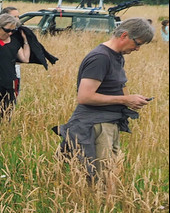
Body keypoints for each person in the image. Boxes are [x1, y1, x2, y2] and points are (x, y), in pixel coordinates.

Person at [57, 18, 154, 184]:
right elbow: (85, 96)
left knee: (110, 176)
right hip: (95, 126)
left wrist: (131, 100)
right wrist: (125, 99)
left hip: (108, 123)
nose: (137, 49)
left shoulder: (116, 56)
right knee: (100, 179)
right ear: (124, 35)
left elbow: (120, 85)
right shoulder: (100, 58)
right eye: (137, 43)